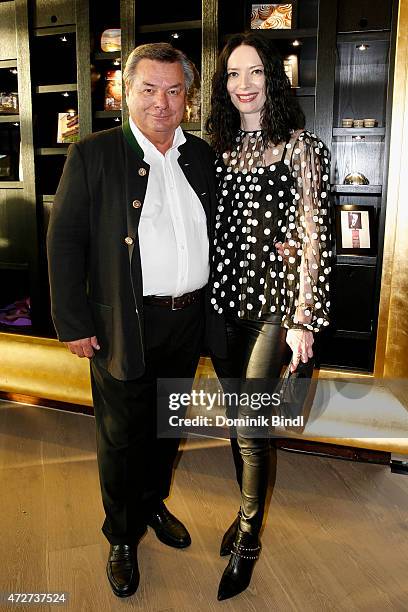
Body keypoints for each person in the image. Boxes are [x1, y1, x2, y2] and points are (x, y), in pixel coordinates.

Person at [47, 42, 224, 598]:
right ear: (127, 91)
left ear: (187, 98)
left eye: (174, 91)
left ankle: (151, 507)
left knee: (168, 426)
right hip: (123, 321)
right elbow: (65, 242)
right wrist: (73, 321)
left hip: (188, 318)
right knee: (122, 436)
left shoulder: (203, 156)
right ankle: (121, 535)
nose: (161, 102)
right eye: (148, 89)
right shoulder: (93, 154)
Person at [206, 32, 331, 600]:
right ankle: (245, 509)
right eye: (233, 74)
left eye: (254, 72)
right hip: (223, 303)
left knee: (252, 429)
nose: (244, 85)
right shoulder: (216, 147)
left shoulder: (302, 147)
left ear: (271, 79)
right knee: (237, 426)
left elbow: (313, 237)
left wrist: (304, 318)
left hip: (274, 307)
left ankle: (249, 539)